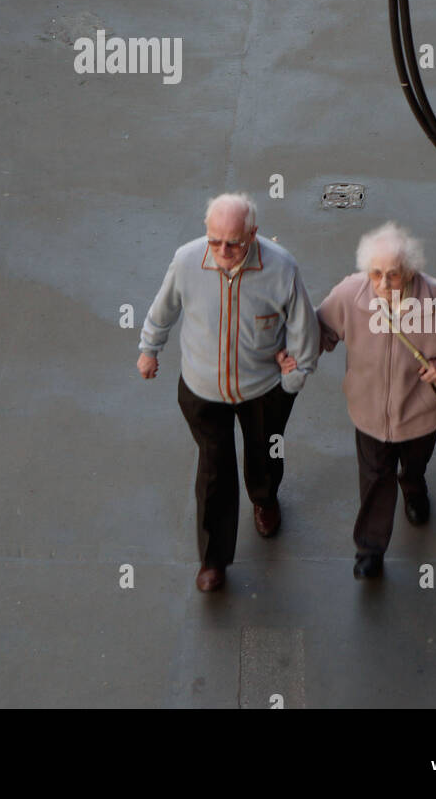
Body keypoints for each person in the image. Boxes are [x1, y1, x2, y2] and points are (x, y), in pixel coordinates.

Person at [137, 193, 320, 592]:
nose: (223, 250)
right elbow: (163, 308)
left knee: (267, 449)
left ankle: (265, 497)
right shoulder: (187, 260)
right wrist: (149, 349)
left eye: (233, 242)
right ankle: (214, 559)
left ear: (252, 234)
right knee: (214, 468)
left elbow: (305, 331)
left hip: (265, 389)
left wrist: (294, 380)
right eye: (215, 240)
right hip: (203, 392)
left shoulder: (282, 267)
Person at [281, 221, 436, 579]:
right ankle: (369, 548)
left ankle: (414, 488)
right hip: (369, 414)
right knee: (374, 478)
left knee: (414, 465)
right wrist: (296, 356)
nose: (383, 284)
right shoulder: (350, 294)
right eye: (376, 274)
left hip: (422, 412)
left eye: (394, 275)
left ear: (411, 271)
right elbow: (321, 330)